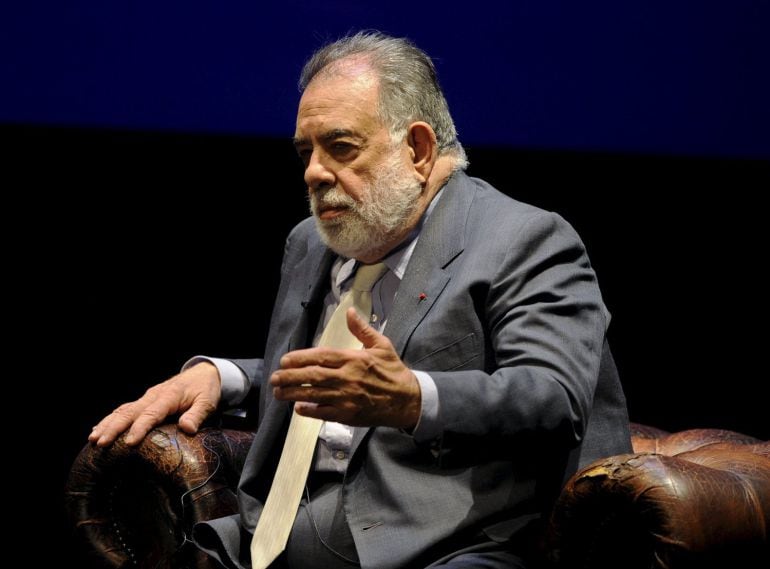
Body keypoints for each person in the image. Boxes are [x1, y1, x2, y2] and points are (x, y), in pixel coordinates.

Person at [89, 31, 631, 569]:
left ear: (418, 149)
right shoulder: (310, 242)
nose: (314, 173)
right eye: (306, 152)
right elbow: (336, 381)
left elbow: (553, 396)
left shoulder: (523, 239)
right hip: (277, 530)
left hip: (450, 542)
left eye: (340, 148)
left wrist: (413, 399)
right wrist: (223, 377)